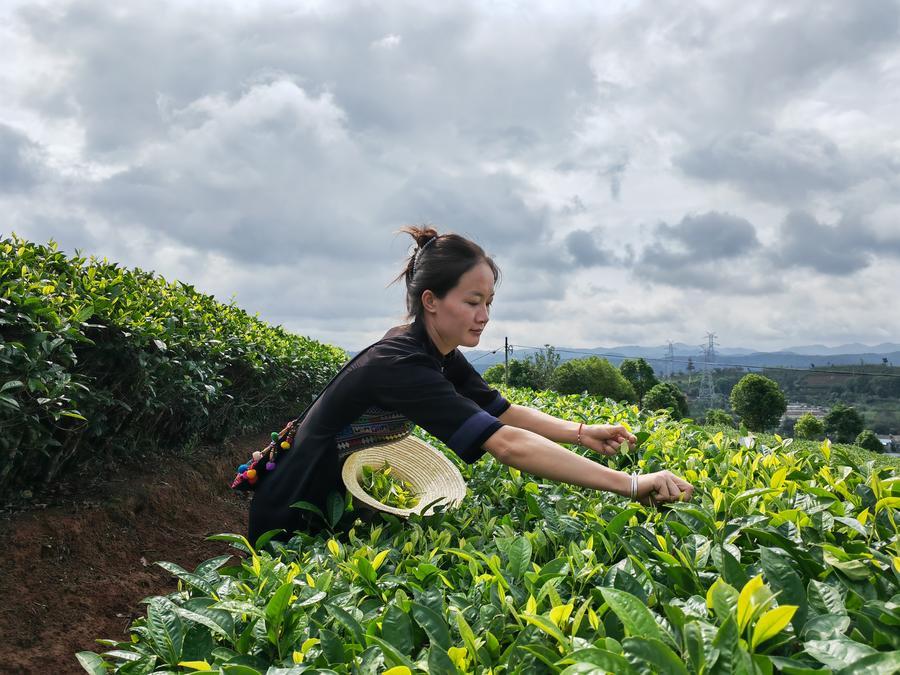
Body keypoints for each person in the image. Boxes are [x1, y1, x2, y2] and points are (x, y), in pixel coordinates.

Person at [247, 226, 694, 543]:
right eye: (473, 301)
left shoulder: (436, 351)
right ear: (431, 301)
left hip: (335, 503)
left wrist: (581, 433)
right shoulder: (400, 363)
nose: (484, 315)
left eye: (489, 303)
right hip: (293, 509)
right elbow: (507, 444)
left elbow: (503, 412)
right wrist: (631, 485)